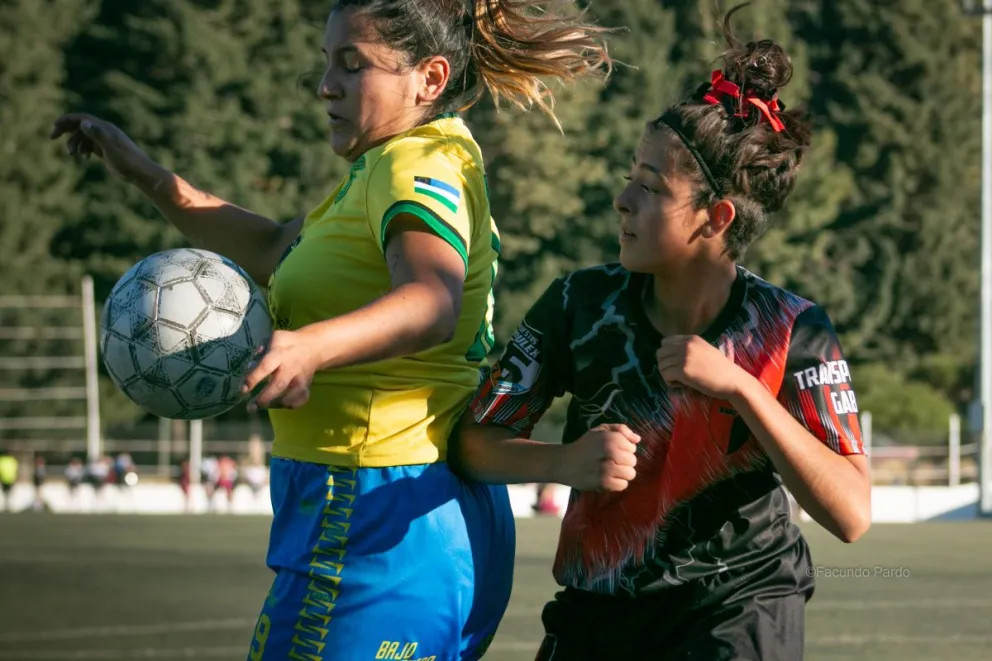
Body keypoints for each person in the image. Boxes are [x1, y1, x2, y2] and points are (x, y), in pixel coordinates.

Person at [51, 1, 612, 658]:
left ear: (428, 79)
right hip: (406, 511)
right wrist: (148, 175)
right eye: (326, 62)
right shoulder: (387, 166)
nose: (326, 84)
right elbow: (271, 247)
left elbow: (432, 300)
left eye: (352, 65)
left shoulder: (416, 165)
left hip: (372, 511)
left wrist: (313, 345)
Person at [451, 8, 871, 660]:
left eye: (649, 187)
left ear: (717, 217)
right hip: (600, 609)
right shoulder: (577, 302)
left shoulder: (794, 329)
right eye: (629, 179)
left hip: (739, 604)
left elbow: (850, 511)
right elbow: (474, 445)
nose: (623, 200)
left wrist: (742, 389)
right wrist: (563, 462)